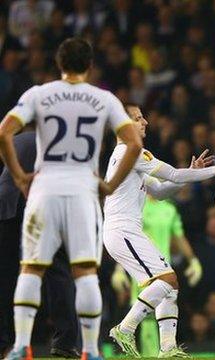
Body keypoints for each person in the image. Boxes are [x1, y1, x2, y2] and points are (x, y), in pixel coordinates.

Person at [0, 37, 143, 360]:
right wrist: (109, 185)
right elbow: (133, 143)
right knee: (81, 271)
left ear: (58, 63)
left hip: (44, 189)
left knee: (31, 269)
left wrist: (20, 176)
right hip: (81, 190)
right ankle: (87, 349)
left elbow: (3, 132)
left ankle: (20, 346)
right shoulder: (102, 98)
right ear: (90, 66)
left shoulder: (40, 95)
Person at [103, 104, 215, 358]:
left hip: (126, 231)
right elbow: (174, 174)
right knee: (166, 281)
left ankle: (168, 349)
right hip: (123, 230)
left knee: (170, 286)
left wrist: (194, 172)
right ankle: (125, 328)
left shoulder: (129, 157)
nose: (145, 123)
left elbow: (161, 191)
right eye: (138, 119)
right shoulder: (132, 151)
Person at [0, 127, 80, 359]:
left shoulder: (14, 139)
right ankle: (65, 341)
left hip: (5, 206)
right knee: (58, 272)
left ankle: (3, 342)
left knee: (4, 277)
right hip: (38, 206)